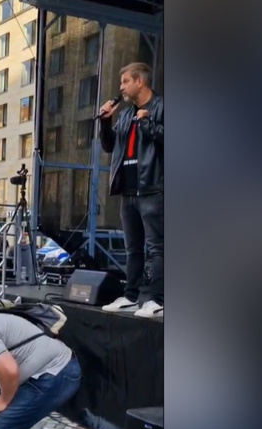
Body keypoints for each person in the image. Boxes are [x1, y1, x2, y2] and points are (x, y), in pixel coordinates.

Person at [98, 62, 164, 318]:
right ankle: (131, 296)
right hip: (129, 190)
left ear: (140, 82)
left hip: (153, 187)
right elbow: (109, 146)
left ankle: (157, 299)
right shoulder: (125, 115)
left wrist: (147, 123)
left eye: (125, 81)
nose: (122, 87)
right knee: (132, 248)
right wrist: (105, 122)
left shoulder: (161, 107)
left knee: (157, 248)